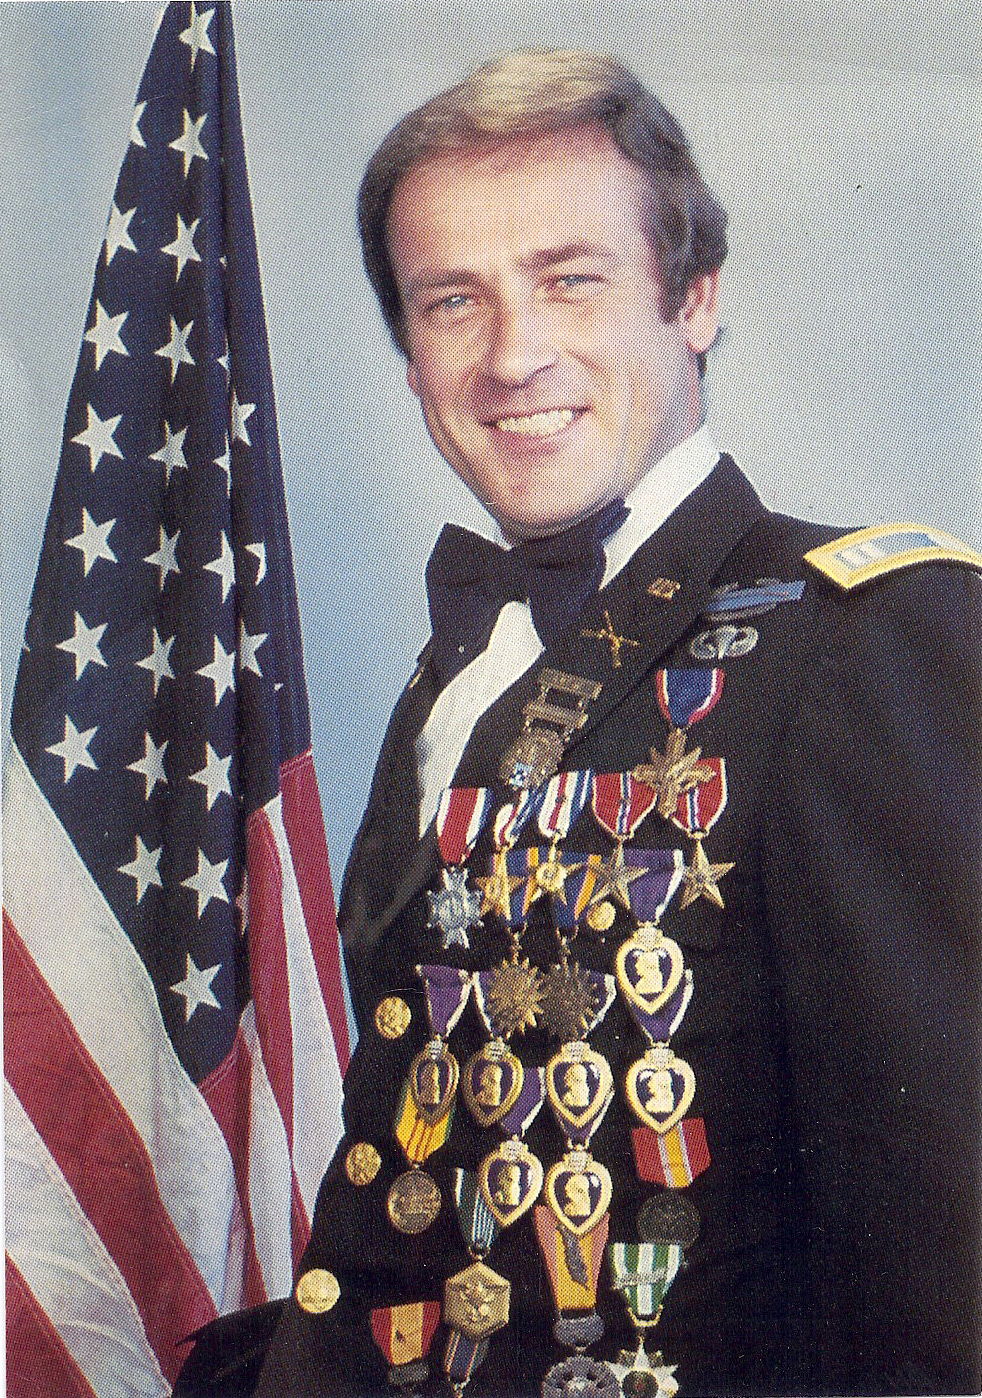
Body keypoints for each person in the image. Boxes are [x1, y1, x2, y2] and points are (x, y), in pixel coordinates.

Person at [176, 49, 982, 1398]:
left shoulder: (860, 640)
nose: (512, 357)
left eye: (570, 280)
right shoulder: (460, 666)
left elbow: (948, 1262)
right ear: (410, 351)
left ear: (695, 298)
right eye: (452, 301)